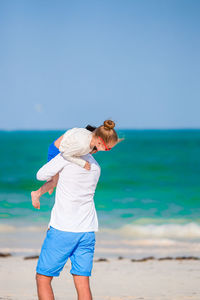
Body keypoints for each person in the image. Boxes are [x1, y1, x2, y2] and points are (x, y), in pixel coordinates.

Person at [34, 127, 119, 300]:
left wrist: (58, 159)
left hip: (63, 229)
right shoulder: (96, 167)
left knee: (43, 278)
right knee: (82, 283)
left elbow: (40, 175)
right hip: (87, 231)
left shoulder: (65, 159)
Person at [31, 120, 119, 210]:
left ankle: (51, 181)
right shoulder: (83, 146)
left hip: (60, 144)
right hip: (57, 151)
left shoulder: (91, 135)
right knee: (54, 182)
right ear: (100, 142)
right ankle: (36, 194)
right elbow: (66, 154)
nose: (108, 150)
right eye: (108, 149)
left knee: (54, 179)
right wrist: (83, 163)